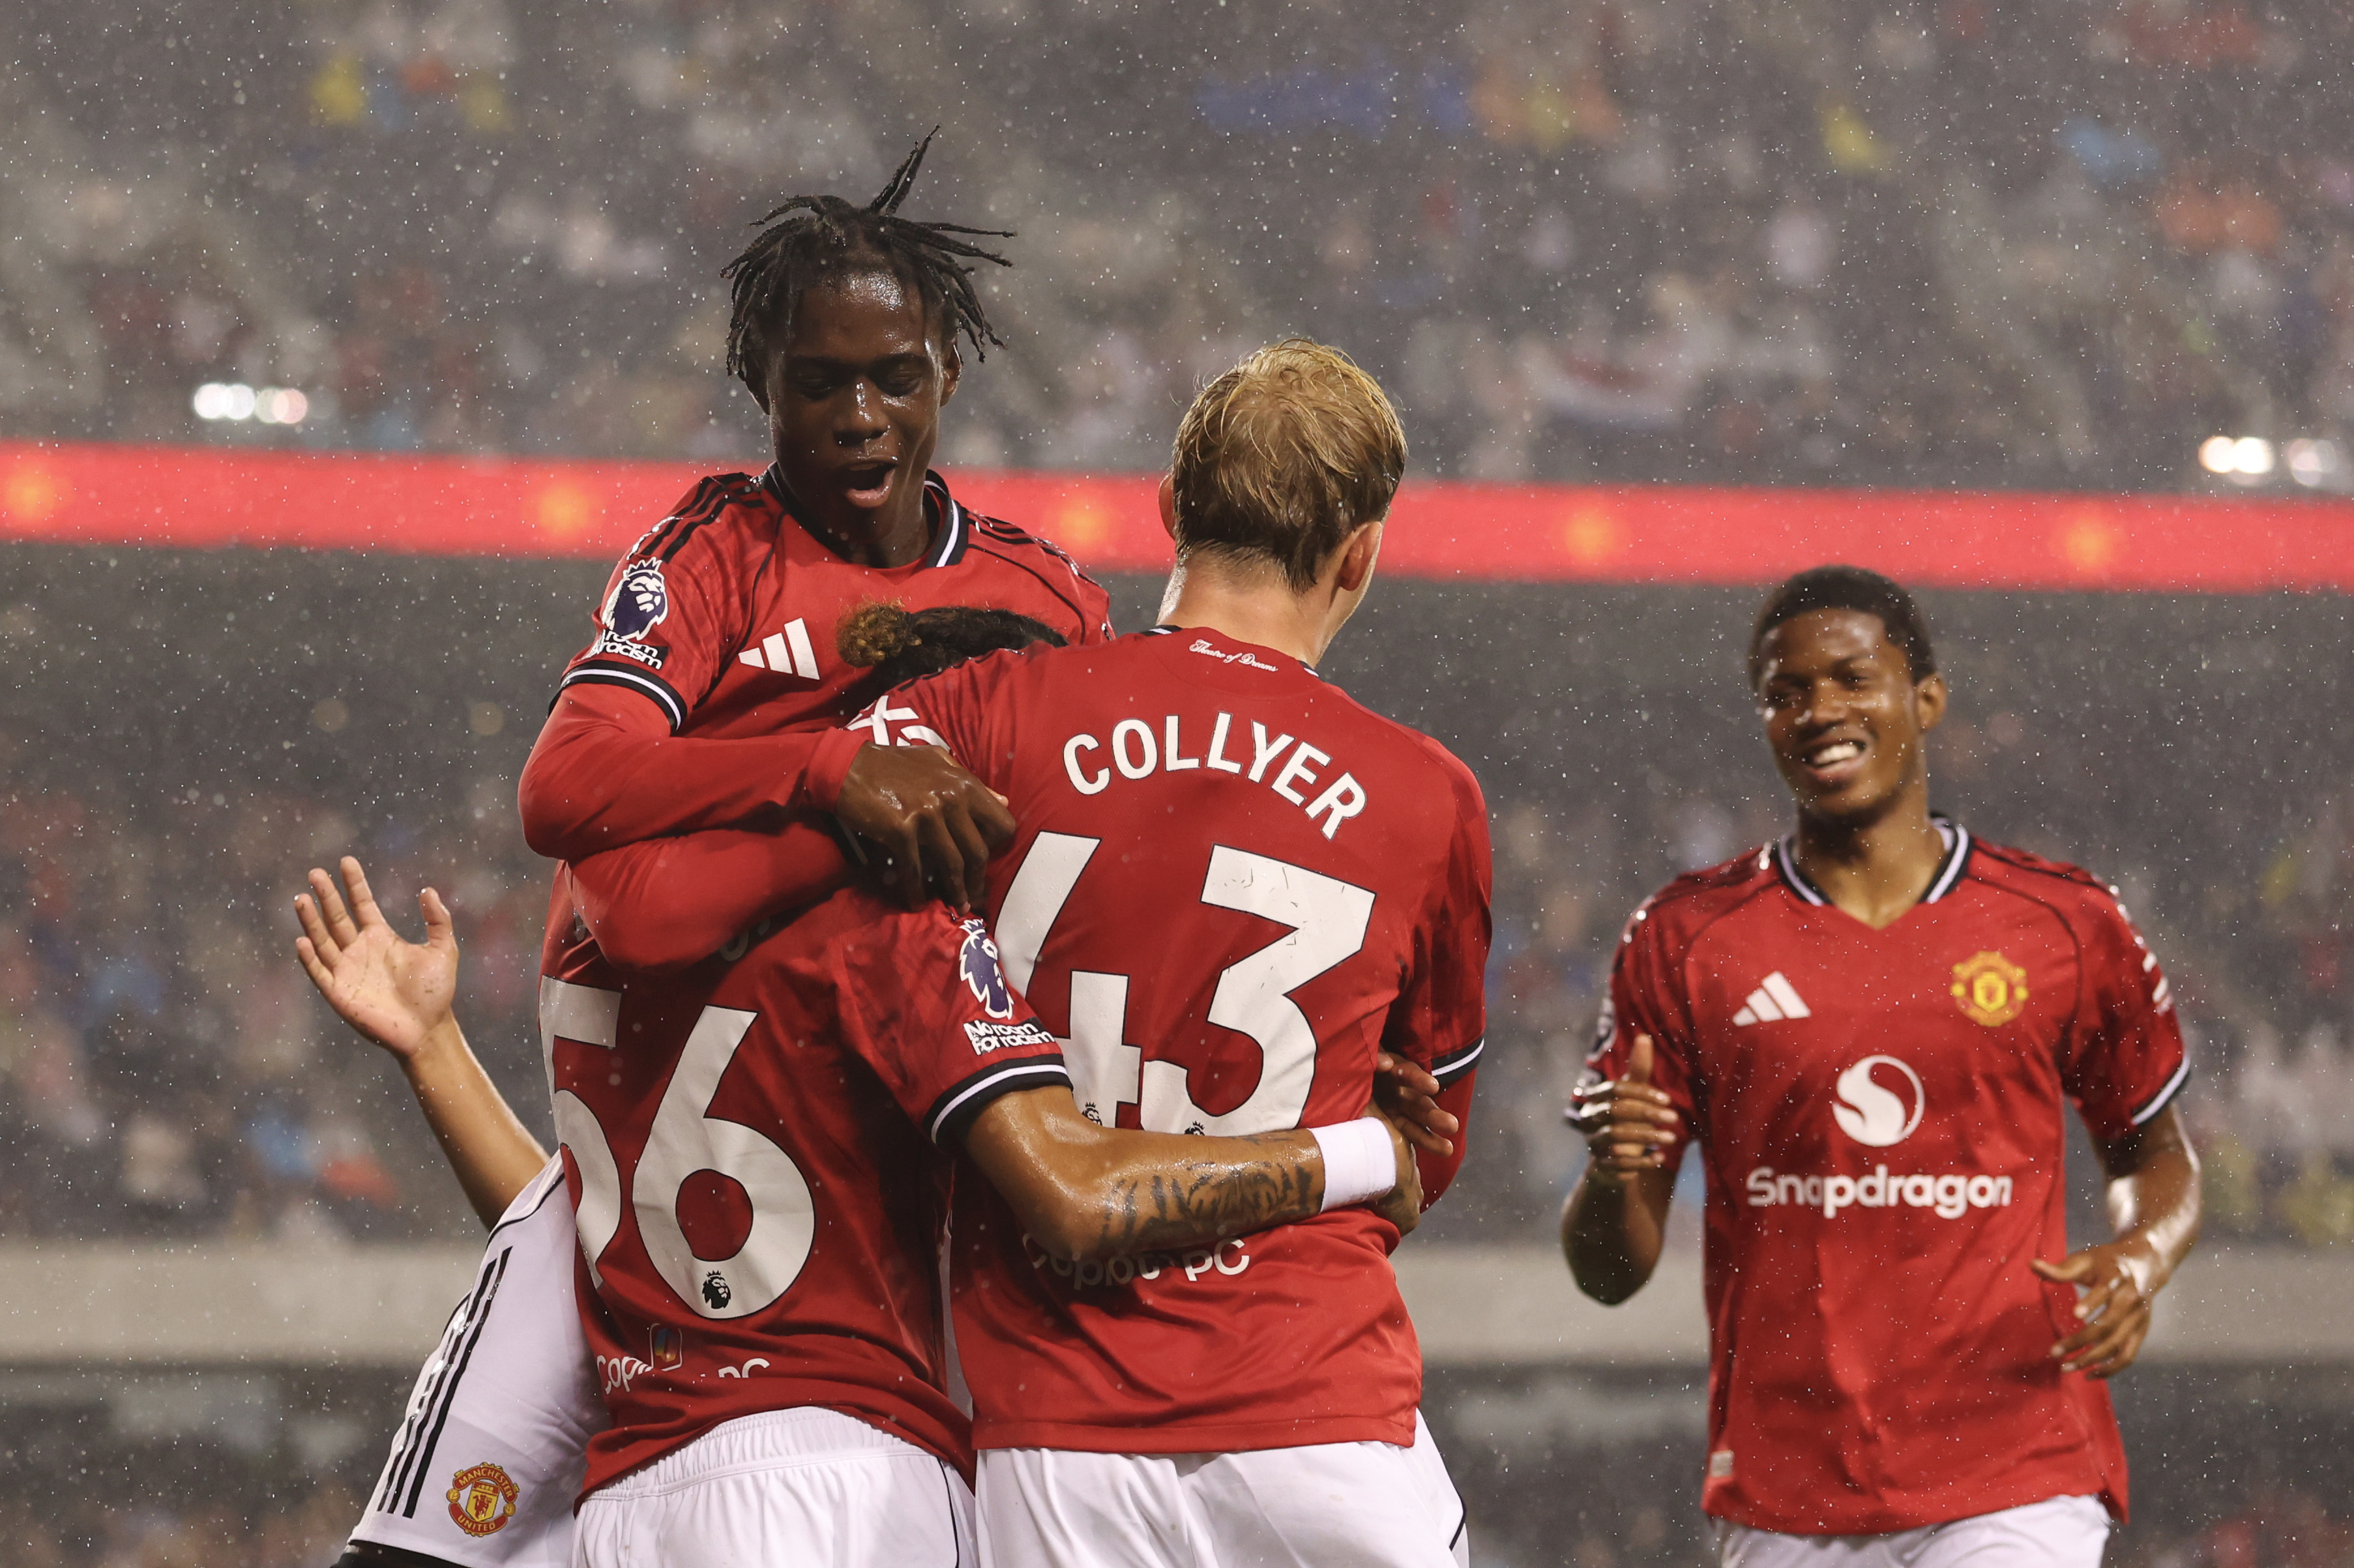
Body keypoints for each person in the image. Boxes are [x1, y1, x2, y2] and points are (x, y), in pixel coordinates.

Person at [324, 136, 1114, 1568]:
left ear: (953, 375)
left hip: (861, 1188)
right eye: (824, 383)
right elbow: (582, 815)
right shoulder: (707, 555)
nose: (864, 415)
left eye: (898, 378)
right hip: (643, 1234)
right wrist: (832, 777)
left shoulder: (1044, 600)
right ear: (765, 386)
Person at [840, 340, 1492, 1567]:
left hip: (1053, 1430)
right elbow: (1423, 1154)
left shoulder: (987, 714)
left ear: (1168, 513)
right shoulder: (1429, 796)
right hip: (1319, 1409)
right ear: (1361, 554)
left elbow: (823, 808)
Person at [1562, 566, 2201, 1566]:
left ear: (1928, 698)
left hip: (2017, 1468)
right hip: (1787, 1484)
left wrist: (2142, 1255)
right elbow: (1608, 1275)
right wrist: (1610, 1170)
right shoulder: (1686, 939)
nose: (1819, 710)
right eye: (1787, 691)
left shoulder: (2064, 923)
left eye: (1852, 678)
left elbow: (2153, 1155)